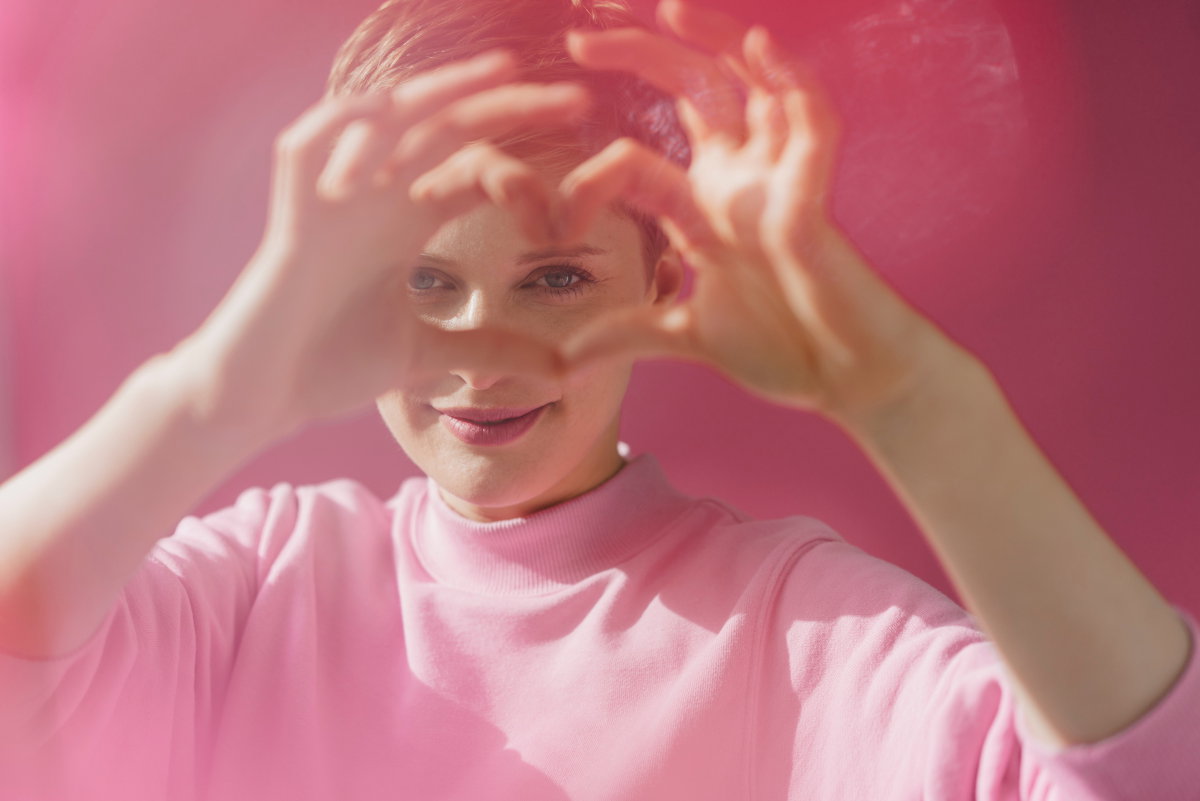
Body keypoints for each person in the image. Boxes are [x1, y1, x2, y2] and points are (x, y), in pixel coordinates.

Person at [0, 0, 1197, 798]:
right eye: (426, 279)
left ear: (663, 281)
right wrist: (222, 390)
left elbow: (1144, 769)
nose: (483, 338)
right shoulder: (259, 583)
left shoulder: (788, 626)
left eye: (556, 278)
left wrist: (906, 396)